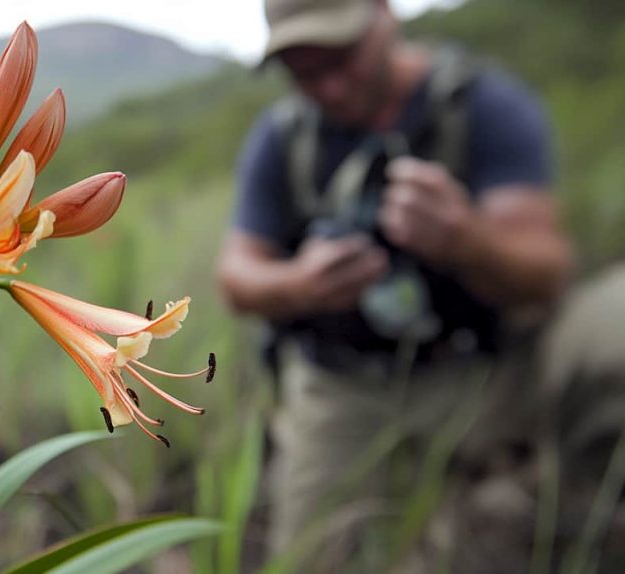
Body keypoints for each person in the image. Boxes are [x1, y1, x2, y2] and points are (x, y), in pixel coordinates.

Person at [217, 0, 573, 568]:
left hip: (475, 375)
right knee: (309, 557)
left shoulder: (484, 106)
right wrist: (299, 284)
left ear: (384, 16)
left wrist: (467, 241)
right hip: (337, 386)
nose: (329, 86)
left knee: (488, 542)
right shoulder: (282, 137)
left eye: (341, 57)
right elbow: (237, 276)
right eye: (303, 71)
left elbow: (546, 271)